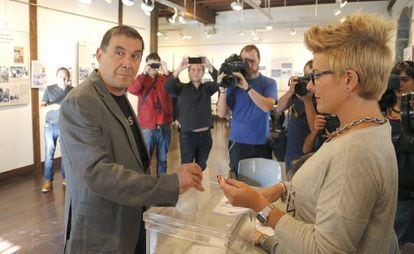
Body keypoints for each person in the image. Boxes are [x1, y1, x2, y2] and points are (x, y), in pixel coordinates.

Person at [218, 13, 399, 254]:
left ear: (348, 80)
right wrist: (280, 189)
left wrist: (259, 204)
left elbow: (325, 249)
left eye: (316, 76)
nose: (311, 86)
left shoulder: (354, 153)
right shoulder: (369, 127)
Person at [59, 25, 204, 253]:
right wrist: (171, 183)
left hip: (131, 222)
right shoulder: (80, 102)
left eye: (135, 55)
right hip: (101, 233)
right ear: (100, 55)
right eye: (119, 52)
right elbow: (99, 173)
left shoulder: (118, 94)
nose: (128, 62)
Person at [217, 45, 277, 176]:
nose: (249, 65)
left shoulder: (269, 83)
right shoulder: (234, 84)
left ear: (259, 60)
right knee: (237, 182)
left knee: (262, 182)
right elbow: (221, 113)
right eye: (245, 61)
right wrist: (222, 89)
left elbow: (267, 106)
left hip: (262, 142)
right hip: (238, 142)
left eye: (252, 61)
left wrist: (247, 87)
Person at [164, 56, 218, 170]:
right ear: (188, 72)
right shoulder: (182, 88)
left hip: (205, 137)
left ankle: (197, 186)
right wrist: (179, 69)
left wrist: (209, 66)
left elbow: (220, 81)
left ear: (203, 73)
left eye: (199, 70)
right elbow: (167, 86)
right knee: (186, 167)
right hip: (188, 136)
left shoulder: (207, 88)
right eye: (193, 70)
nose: (196, 72)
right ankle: (187, 187)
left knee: (201, 167)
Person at [128, 53, 173, 176]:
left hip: (164, 126)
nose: (153, 67)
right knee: (145, 160)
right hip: (147, 127)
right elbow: (132, 89)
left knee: (163, 160)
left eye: (156, 64)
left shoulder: (164, 79)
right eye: (151, 64)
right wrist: (143, 73)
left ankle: (162, 186)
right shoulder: (141, 79)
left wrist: (166, 71)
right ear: (146, 64)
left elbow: (174, 88)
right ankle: (146, 186)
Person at [385, 60, 414, 246]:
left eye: (405, 79)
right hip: (393, 191)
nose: (400, 84)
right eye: (395, 79)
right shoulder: (380, 110)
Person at [276, 60, 316, 171]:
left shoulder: (323, 97)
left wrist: (307, 101)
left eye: (311, 77)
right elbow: (279, 108)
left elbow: (315, 128)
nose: (308, 82)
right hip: (293, 152)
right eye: (305, 77)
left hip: (313, 153)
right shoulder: (298, 92)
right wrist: (290, 92)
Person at [41, 67, 73, 193]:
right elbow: (41, 108)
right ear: (56, 77)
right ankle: (48, 181)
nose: (63, 79)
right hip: (51, 126)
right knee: (49, 154)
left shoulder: (72, 90)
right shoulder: (49, 90)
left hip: (66, 126)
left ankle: (65, 178)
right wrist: (53, 105)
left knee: (66, 153)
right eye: (60, 77)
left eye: (65, 77)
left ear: (68, 78)